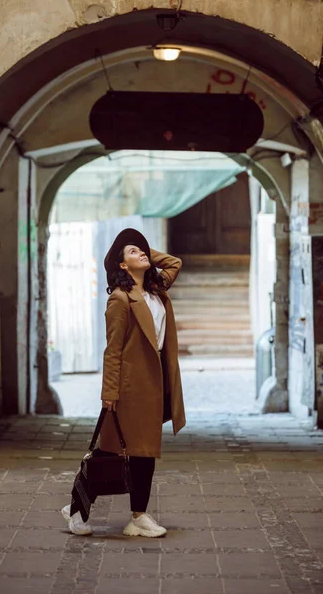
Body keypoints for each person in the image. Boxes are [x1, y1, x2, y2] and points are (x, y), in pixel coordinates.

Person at [62, 228, 186, 537]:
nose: (143, 254)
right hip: (132, 385)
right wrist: (110, 393)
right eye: (133, 252)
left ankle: (137, 517)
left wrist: (142, 250)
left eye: (142, 250)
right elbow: (112, 349)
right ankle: (81, 507)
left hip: (156, 381)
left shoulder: (157, 290)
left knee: (143, 450)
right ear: (120, 265)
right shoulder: (120, 299)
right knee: (115, 450)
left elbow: (174, 262)